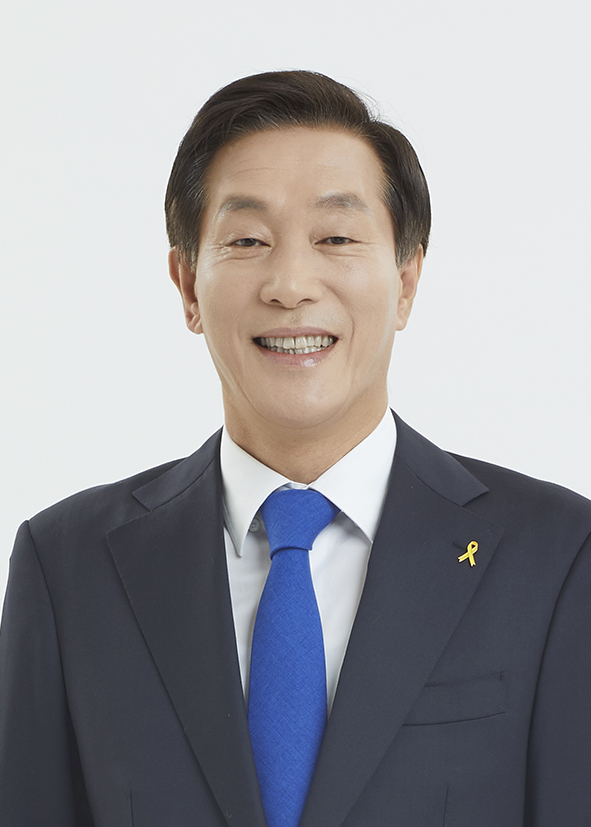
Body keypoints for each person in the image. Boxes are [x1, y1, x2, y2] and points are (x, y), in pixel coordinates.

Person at [1, 70, 590, 827]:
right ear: (187, 284)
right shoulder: (66, 566)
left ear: (407, 279)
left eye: (335, 238)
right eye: (247, 240)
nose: (289, 284)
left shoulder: (556, 557)